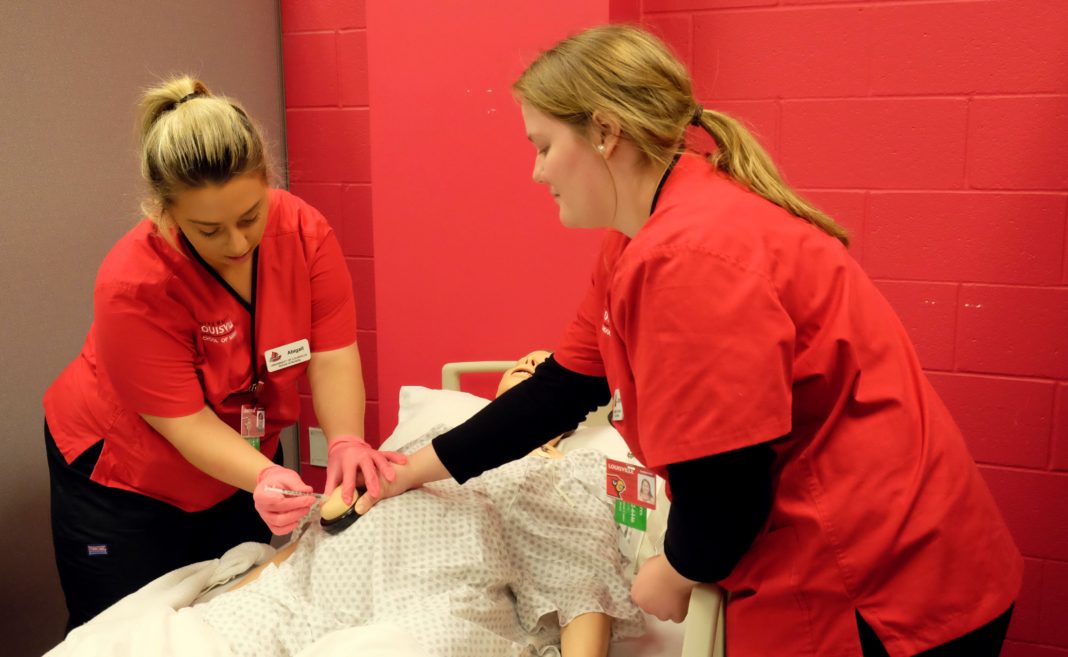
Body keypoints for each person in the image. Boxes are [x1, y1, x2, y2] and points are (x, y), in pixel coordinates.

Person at [357, 25, 1023, 657]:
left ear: (605, 134)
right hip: (875, 550)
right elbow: (562, 387)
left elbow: (726, 490)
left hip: (883, 586)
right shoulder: (641, 235)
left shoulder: (689, 257)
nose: (536, 172)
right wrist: (411, 469)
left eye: (542, 145)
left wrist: (672, 571)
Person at [43, 75, 404, 632]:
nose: (237, 244)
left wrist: (346, 439)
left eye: (251, 216)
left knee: (235, 614)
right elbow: (184, 423)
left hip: (240, 458)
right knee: (130, 631)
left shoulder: (305, 231)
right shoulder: (133, 283)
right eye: (209, 230)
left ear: (267, 183)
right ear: (164, 213)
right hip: (125, 477)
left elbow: (332, 353)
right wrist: (262, 474)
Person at [185, 356, 640, 657]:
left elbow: (582, 585)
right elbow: (321, 535)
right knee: (192, 640)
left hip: (435, 599)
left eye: (543, 371)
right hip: (317, 591)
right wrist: (256, 583)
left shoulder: (558, 476)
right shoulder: (428, 445)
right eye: (524, 366)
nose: (531, 365)